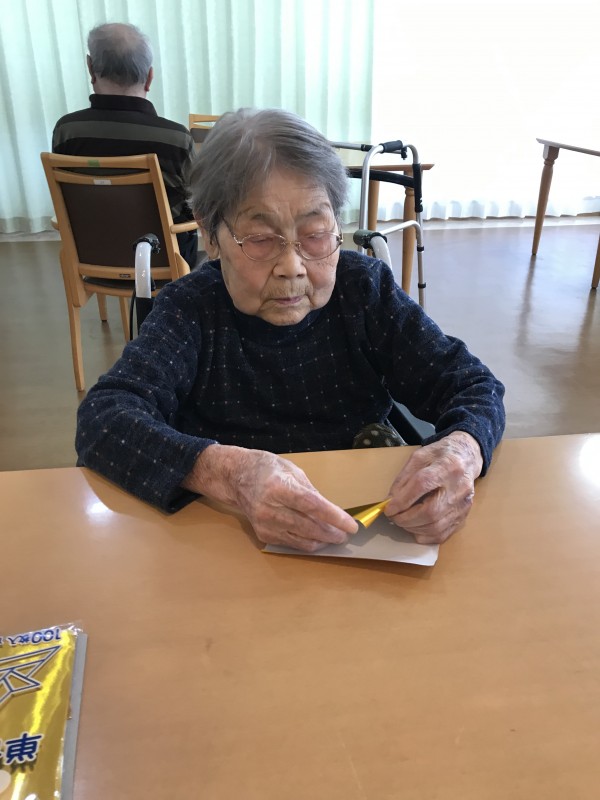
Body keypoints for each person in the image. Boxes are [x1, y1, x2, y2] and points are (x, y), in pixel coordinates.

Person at [76, 108, 506, 552]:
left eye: (315, 233)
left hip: (363, 529)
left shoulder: (363, 291)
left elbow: (473, 385)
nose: (292, 267)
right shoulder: (191, 309)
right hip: (231, 536)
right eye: (261, 240)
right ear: (209, 234)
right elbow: (103, 420)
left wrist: (462, 450)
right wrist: (230, 473)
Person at [52, 22, 198, 269]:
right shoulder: (175, 138)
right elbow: (197, 206)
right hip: (164, 262)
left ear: (90, 67)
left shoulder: (67, 132)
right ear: (150, 76)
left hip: (93, 258)